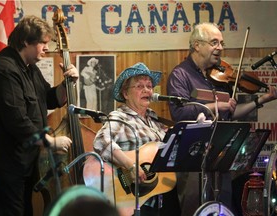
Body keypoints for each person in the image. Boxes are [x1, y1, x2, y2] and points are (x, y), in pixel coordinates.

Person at [167, 22, 277, 215]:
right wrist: (215, 106)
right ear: (197, 45)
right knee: (195, 209)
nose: (220, 48)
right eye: (214, 42)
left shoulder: (218, 76)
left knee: (223, 208)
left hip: (220, 155)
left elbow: (231, 113)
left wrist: (261, 100)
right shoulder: (180, 75)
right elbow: (179, 113)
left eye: (221, 43)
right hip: (193, 158)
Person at [0, 15, 79, 216]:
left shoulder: (30, 68)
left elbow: (49, 98)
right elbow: (17, 120)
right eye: (42, 43)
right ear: (25, 41)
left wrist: (67, 84)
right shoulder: (4, 68)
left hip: (27, 163)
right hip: (8, 165)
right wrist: (51, 142)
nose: (47, 48)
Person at [93, 62, 180, 216]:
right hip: (133, 198)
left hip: (158, 196)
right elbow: (101, 141)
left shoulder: (154, 121)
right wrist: (131, 166)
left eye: (149, 86)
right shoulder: (120, 117)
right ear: (126, 94)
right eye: (140, 86)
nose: (147, 90)